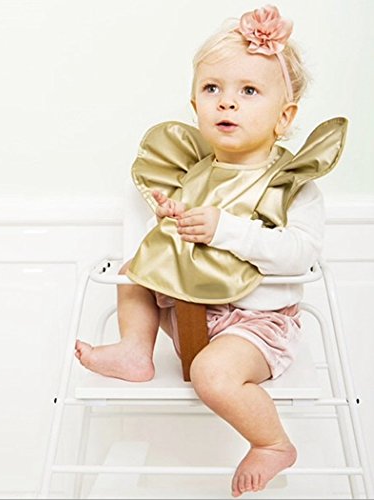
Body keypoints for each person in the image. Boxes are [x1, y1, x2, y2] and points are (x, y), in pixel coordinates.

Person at [75, 5, 346, 497]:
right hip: (190, 310)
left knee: (212, 374)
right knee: (137, 268)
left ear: (284, 117)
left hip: (256, 325)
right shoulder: (194, 173)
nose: (227, 103)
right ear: (194, 102)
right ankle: (135, 348)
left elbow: (299, 254)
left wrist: (226, 229)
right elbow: (173, 248)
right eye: (212, 89)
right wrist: (170, 217)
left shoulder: (291, 185)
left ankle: (272, 443)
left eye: (249, 91)